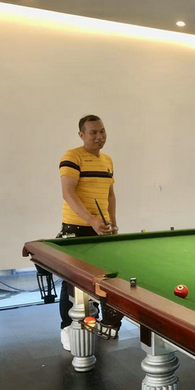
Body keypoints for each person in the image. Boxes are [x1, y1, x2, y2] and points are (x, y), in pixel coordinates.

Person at [56, 114, 123, 350]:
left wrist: (112, 222)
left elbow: (110, 195)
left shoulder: (107, 160)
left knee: (102, 277)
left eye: (102, 131)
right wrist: (91, 219)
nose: (99, 136)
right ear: (81, 135)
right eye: (93, 132)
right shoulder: (72, 156)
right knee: (72, 280)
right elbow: (68, 193)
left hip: (101, 229)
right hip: (77, 229)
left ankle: (97, 321)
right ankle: (67, 327)